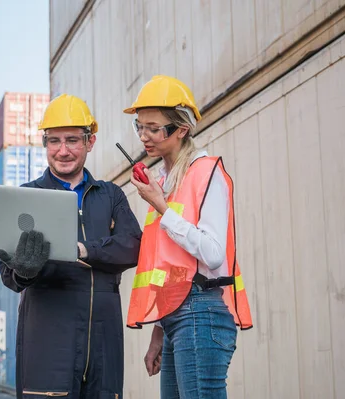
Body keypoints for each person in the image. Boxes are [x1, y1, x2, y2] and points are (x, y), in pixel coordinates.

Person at [0, 93, 143, 399]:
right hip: (48, 345)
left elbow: (132, 246)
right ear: (45, 144)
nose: (63, 151)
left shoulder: (110, 195)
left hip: (103, 346)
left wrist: (84, 250)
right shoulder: (26, 197)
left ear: (90, 142)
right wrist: (23, 270)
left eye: (72, 140)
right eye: (54, 141)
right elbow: (10, 276)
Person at [123, 75, 253, 399]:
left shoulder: (206, 172)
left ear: (181, 129)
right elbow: (172, 268)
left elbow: (212, 253)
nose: (144, 136)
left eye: (154, 128)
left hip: (201, 311)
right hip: (176, 318)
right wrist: (158, 332)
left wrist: (162, 208)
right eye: (140, 127)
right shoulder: (166, 181)